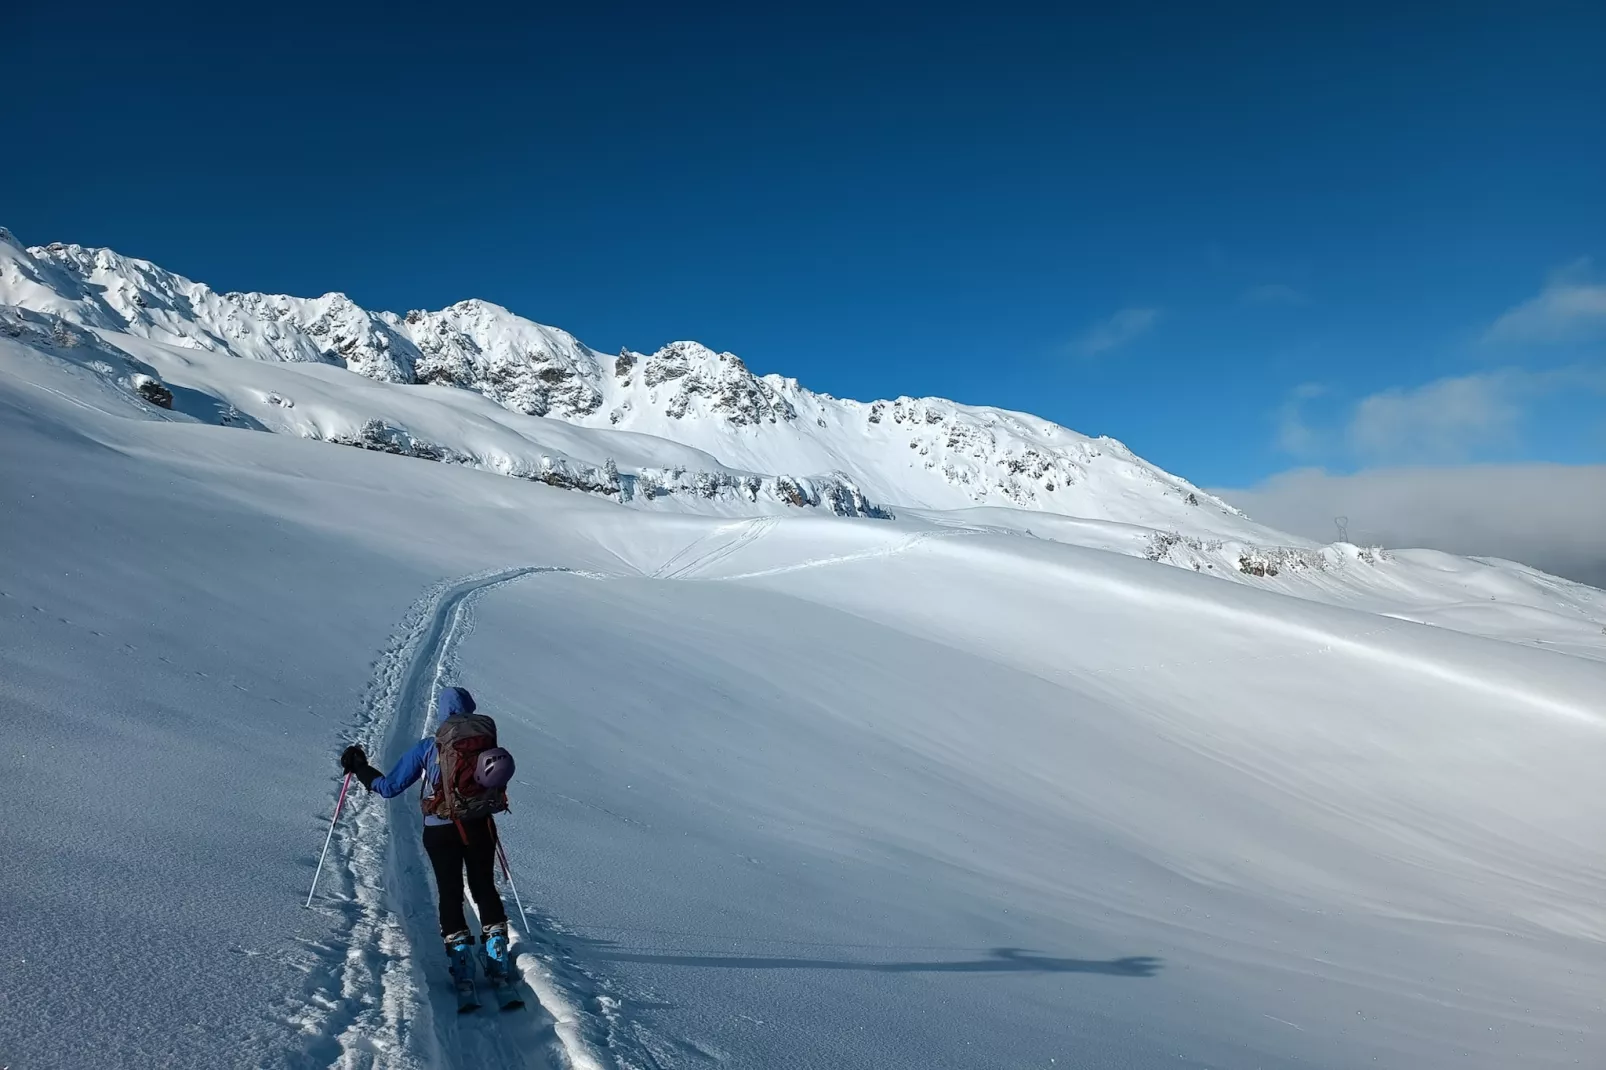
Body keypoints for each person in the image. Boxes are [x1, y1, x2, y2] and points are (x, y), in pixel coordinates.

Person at [340, 685, 516, 984]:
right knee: (484, 885)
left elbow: (389, 788)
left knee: (449, 889)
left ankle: (461, 960)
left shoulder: (428, 747)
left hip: (440, 830)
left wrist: (360, 768)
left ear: (442, 712)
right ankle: (497, 952)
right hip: (480, 826)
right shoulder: (486, 743)